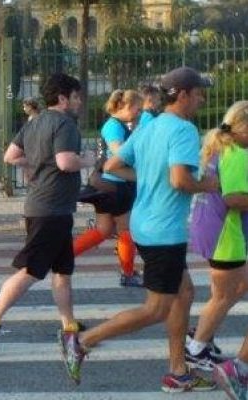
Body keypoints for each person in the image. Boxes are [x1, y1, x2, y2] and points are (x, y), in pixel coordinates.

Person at [62, 67, 218, 392]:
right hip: (164, 231)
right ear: (184, 95)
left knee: (184, 293)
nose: (202, 98)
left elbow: (112, 165)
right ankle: (83, 341)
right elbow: (181, 180)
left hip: (145, 224)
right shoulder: (183, 130)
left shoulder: (151, 125)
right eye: (199, 92)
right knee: (156, 309)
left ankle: (178, 371)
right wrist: (214, 184)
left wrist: (147, 178)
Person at [0, 73, 93, 357]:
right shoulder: (65, 124)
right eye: (76, 96)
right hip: (50, 209)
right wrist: (88, 160)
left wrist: (38, 162)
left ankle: (69, 325)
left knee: (63, 271)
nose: (79, 102)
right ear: (63, 98)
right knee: (31, 271)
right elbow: (65, 162)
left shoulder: (34, 123)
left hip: (49, 207)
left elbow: (10, 156)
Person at [186, 101, 248, 372]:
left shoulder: (220, 146)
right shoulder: (236, 153)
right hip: (225, 233)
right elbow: (234, 198)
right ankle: (196, 347)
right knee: (225, 294)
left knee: (230, 289)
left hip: (210, 227)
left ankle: (200, 337)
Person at [73, 89, 143, 287]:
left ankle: (64, 257)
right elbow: (118, 152)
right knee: (126, 229)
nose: (138, 113)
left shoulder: (113, 124)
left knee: (103, 230)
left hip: (105, 183)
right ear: (126, 106)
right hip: (117, 184)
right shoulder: (114, 126)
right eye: (137, 109)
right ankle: (128, 273)